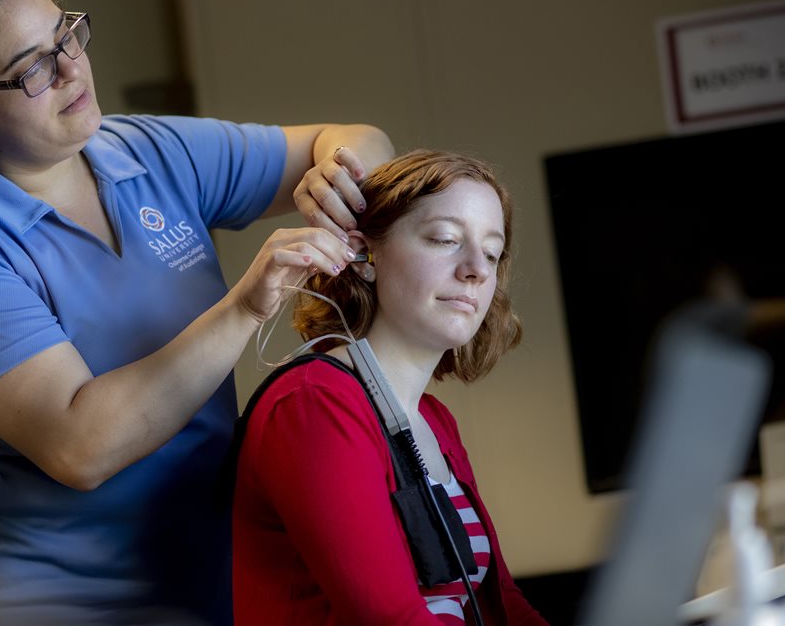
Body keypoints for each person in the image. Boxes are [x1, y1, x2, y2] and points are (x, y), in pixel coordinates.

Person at [0, 0, 393, 624]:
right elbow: (82, 445)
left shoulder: (148, 149)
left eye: (68, 36)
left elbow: (351, 138)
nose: (70, 70)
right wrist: (248, 305)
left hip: (203, 585)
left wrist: (342, 176)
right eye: (33, 67)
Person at [232, 150, 548, 625]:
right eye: (445, 239)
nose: (476, 270)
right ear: (363, 256)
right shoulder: (315, 402)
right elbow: (390, 619)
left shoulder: (437, 422)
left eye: (491, 252)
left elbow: (501, 602)